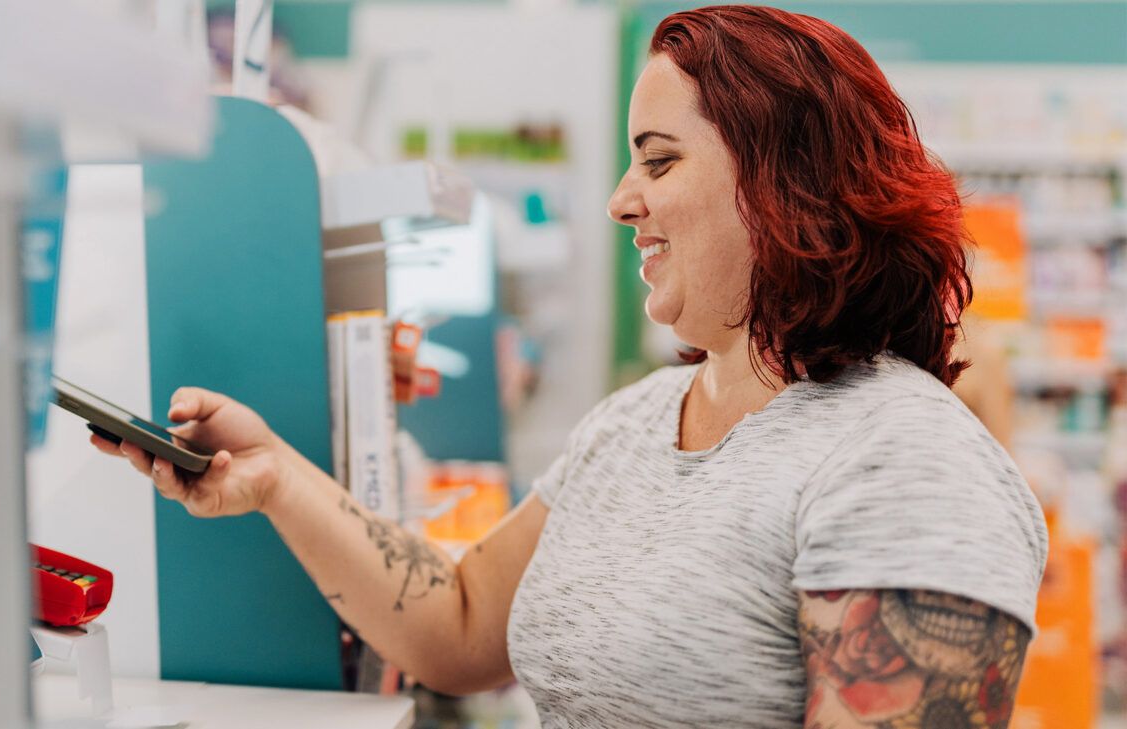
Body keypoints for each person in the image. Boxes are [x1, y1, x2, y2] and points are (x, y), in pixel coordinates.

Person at [93, 6, 1047, 727]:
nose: (621, 201)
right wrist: (274, 478)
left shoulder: (903, 463)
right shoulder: (635, 421)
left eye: (660, 161)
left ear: (782, 184)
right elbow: (462, 623)